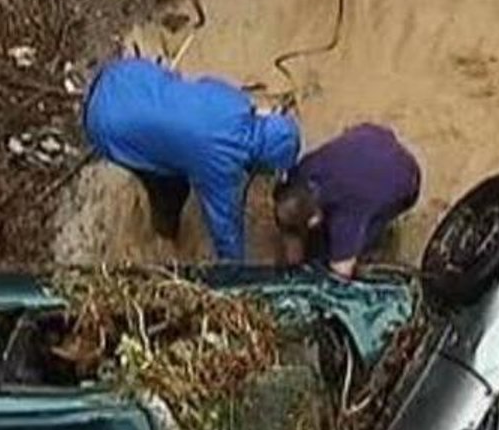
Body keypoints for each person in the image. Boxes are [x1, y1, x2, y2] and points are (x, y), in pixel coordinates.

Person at [83, 57, 301, 261]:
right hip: (107, 126)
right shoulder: (221, 168)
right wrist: (236, 270)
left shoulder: (234, 100)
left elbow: (203, 87)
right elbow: (225, 229)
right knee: (172, 188)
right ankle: (166, 233)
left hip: (122, 75)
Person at [273, 123, 420, 278]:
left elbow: (341, 272)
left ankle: (379, 239)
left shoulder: (346, 217)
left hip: (406, 178)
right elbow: (288, 213)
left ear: (314, 221)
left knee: (327, 254)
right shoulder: (303, 170)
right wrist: (293, 266)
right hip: (373, 138)